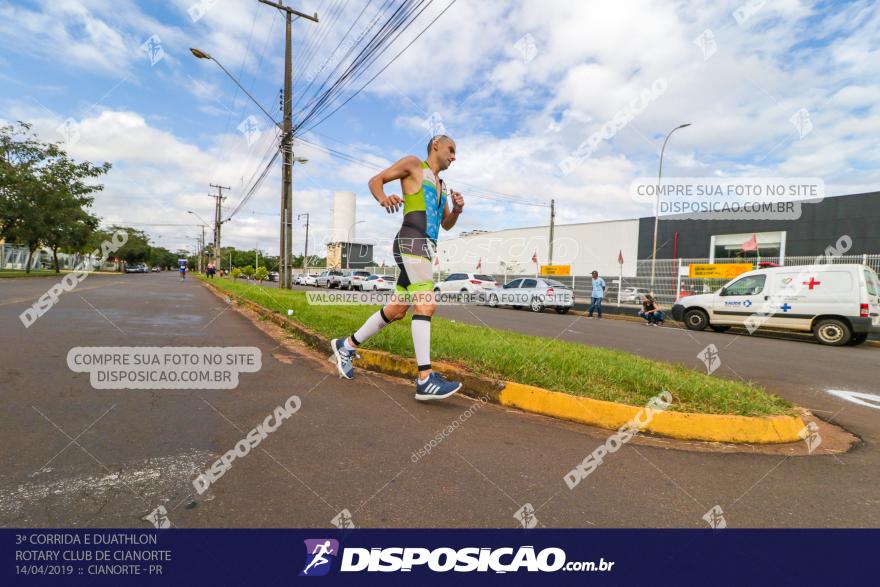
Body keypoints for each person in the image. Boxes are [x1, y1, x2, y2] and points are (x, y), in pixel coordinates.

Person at [329, 135, 464, 401]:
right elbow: (375, 180)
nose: (454, 156)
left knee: (397, 309)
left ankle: (345, 346)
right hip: (412, 240)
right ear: (436, 144)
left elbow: (445, 224)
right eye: (451, 150)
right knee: (426, 304)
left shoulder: (442, 184)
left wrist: (457, 210)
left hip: (426, 247)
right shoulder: (414, 165)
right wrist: (383, 198)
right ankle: (425, 379)